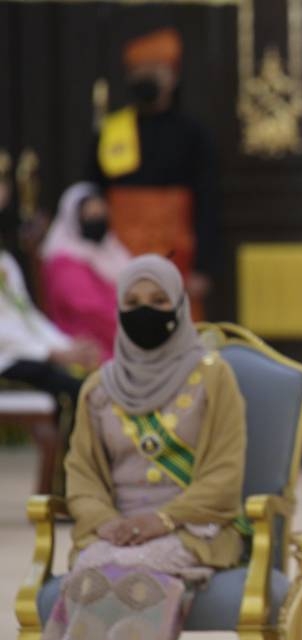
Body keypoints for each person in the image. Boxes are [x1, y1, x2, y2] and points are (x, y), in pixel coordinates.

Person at [36, 254, 247, 640]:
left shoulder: (213, 376)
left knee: (139, 572)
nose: (145, 311)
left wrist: (163, 520)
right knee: (93, 569)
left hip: (193, 528)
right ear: (118, 310)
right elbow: (81, 478)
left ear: (179, 306)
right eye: (132, 304)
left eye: (158, 300)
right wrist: (106, 523)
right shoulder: (98, 388)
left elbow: (225, 472)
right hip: (113, 531)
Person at [89, 27, 221, 320]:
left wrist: (203, 267)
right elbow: (93, 190)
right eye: (139, 70)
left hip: (177, 254)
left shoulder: (193, 134)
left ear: (172, 76)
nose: (146, 77)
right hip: (118, 254)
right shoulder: (112, 131)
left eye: (155, 70)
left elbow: (209, 202)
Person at [41, 182, 131, 360]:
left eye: (100, 213)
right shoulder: (64, 262)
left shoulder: (112, 250)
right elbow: (90, 311)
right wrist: (138, 330)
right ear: (74, 219)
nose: (96, 219)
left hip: (121, 334)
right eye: (90, 215)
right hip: (89, 346)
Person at [0, 247, 99, 403]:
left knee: (95, 378)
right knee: (76, 390)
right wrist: (50, 353)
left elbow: (27, 315)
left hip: (27, 354)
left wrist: (68, 346)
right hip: (7, 360)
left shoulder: (4, 260)